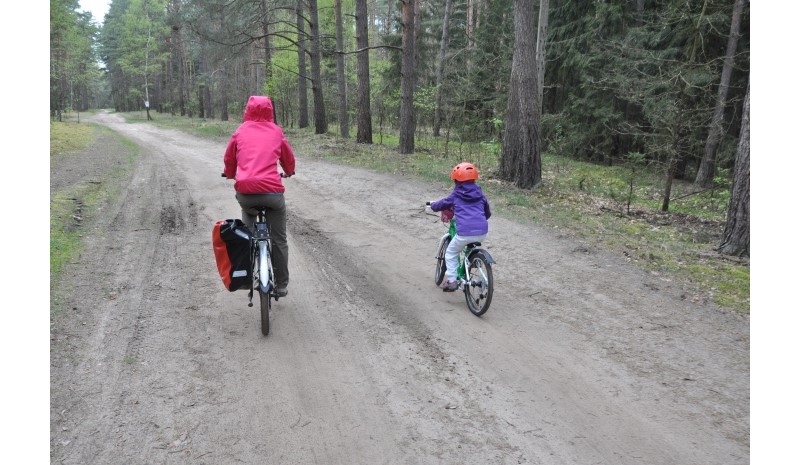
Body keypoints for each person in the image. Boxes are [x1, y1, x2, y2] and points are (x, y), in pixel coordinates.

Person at [223, 96, 296, 297]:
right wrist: (289, 171)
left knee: (247, 232)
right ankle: (281, 285)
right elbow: (288, 158)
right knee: (279, 239)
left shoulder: (240, 131)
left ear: (247, 110)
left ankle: (246, 274)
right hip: (273, 194)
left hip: (246, 193)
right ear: (270, 110)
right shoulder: (276, 131)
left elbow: (229, 159)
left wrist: (230, 174)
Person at [429, 162, 492, 291]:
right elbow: (487, 213)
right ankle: (473, 261)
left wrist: (433, 205)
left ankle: (452, 280)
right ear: (474, 179)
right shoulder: (480, 194)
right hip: (482, 232)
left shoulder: (457, 194)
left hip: (464, 232)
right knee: (469, 243)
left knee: (451, 252)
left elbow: (444, 203)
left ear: (456, 181)